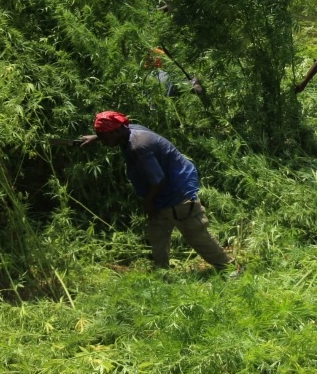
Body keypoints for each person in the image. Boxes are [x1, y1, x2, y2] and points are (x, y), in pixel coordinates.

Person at [80, 111, 235, 272]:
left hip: (177, 193)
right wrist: (95, 138)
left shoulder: (138, 146)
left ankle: (229, 267)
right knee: (157, 235)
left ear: (117, 130)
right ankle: (162, 273)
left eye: (104, 136)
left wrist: (148, 202)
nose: (103, 141)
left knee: (196, 234)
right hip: (161, 195)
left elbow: (158, 179)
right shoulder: (128, 130)